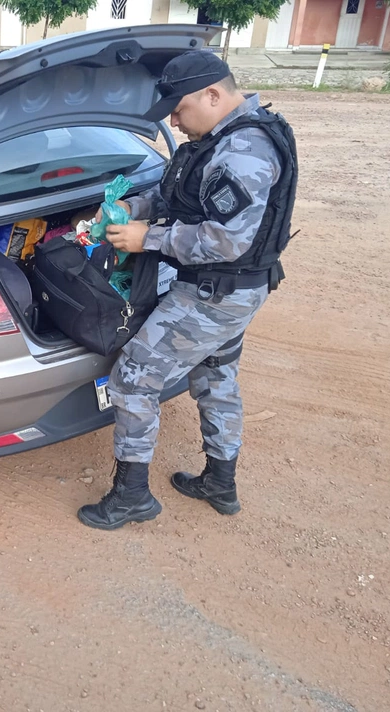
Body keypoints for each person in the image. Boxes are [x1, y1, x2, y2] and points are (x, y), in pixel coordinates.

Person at [77, 50, 298, 531]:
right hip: (234, 292)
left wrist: (146, 239)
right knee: (215, 376)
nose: (174, 122)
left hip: (216, 293)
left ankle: (131, 496)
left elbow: (226, 239)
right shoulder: (221, 138)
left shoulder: (244, 150)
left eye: (179, 109)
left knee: (134, 377)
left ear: (213, 94)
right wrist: (133, 207)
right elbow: (179, 193)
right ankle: (220, 483)